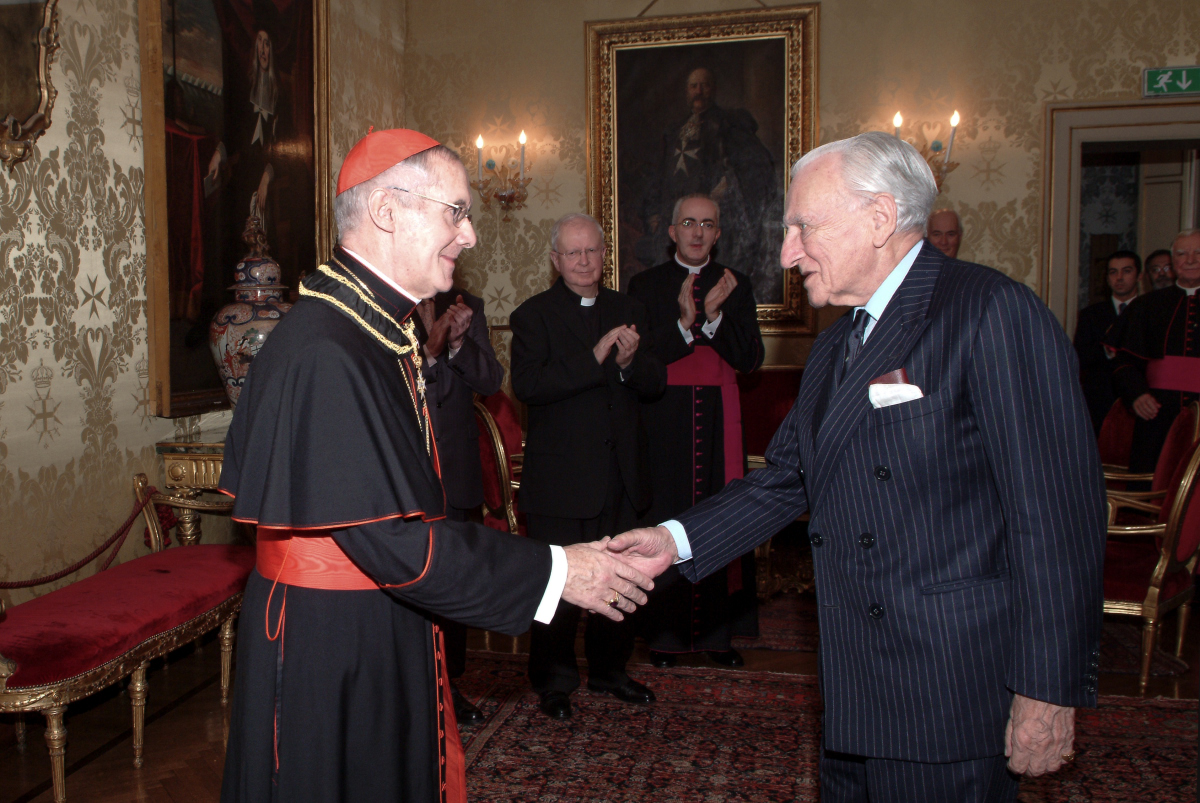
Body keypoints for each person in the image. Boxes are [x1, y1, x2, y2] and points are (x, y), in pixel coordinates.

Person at [608, 131, 1105, 801]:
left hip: (947, 692)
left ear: (879, 218)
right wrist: (674, 540)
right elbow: (786, 477)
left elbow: (1057, 518)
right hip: (855, 683)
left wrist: (1046, 689)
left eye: (801, 227)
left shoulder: (990, 312)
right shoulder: (839, 340)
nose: (786, 252)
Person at [218, 130, 657, 803]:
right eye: (456, 210)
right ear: (389, 211)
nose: (471, 234)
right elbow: (397, 543)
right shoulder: (327, 348)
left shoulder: (367, 329)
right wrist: (561, 570)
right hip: (331, 645)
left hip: (372, 621)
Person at [510, 213, 667, 720]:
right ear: (555, 260)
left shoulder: (629, 307)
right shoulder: (533, 315)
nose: (583, 261)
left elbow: (655, 382)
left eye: (592, 252)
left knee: (623, 579)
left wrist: (627, 364)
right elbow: (528, 387)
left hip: (621, 474)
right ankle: (554, 681)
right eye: (573, 253)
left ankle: (609, 670)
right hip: (561, 480)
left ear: (605, 256)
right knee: (557, 586)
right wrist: (595, 355)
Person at [626, 193, 764, 669]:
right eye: (689, 222)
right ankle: (665, 637)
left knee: (722, 515)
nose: (698, 232)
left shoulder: (736, 284)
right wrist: (687, 323)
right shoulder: (645, 285)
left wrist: (718, 316)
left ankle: (718, 637)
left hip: (722, 416)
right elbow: (639, 362)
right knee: (671, 514)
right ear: (672, 231)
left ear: (718, 233)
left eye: (708, 224)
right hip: (666, 417)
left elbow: (750, 359)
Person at [412, 287, 505, 726]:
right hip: (408, 470)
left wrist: (456, 344)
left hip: (459, 473)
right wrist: (429, 354)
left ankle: (450, 690)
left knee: (455, 589)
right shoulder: (388, 300)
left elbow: (490, 381)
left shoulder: (469, 305)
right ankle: (412, 689)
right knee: (413, 587)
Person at [641, 67, 781, 302]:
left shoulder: (728, 124)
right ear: (687, 91)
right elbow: (659, 174)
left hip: (715, 216)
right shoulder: (675, 130)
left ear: (713, 89)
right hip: (672, 215)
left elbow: (748, 164)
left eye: (704, 85)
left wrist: (723, 190)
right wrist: (655, 214)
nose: (699, 91)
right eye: (694, 86)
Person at [1108, 229, 1200, 474]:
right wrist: (1136, 395)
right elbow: (1123, 360)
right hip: (1157, 417)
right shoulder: (1147, 305)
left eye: (1197, 252)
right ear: (1173, 261)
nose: (1190, 259)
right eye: (1182, 253)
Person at [1073, 250, 1140, 433]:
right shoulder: (1092, 314)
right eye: (1113, 272)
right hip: (1101, 402)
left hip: (1141, 401)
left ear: (1139, 275)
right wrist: (1105, 350)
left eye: (1126, 271)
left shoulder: (1151, 310)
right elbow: (1078, 357)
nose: (1119, 277)